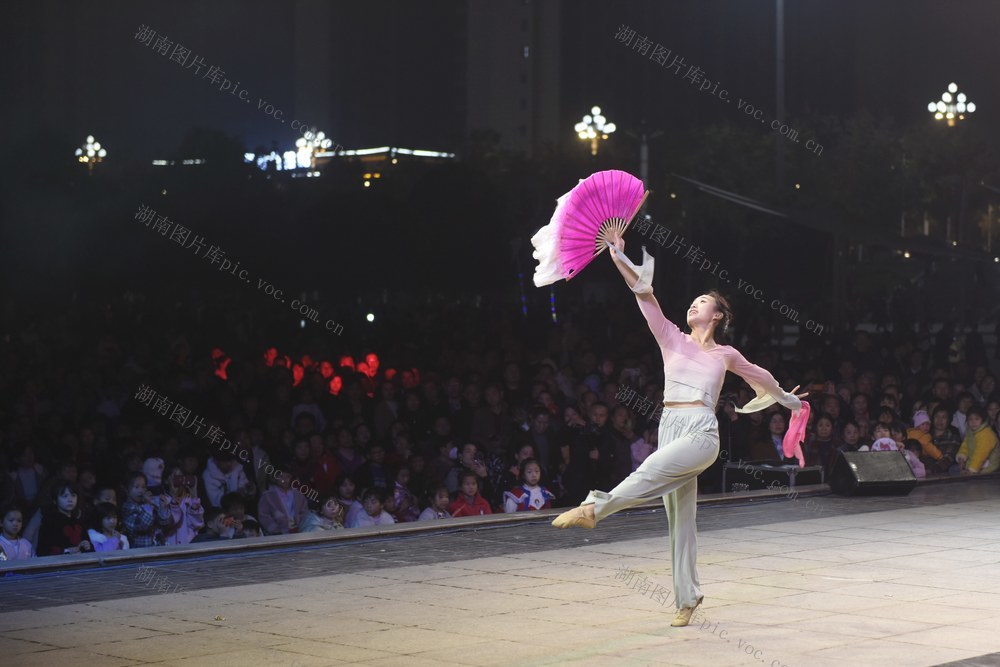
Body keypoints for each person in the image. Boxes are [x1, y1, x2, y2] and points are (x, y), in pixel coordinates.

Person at [551, 237, 806, 628]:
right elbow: (645, 295)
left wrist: (790, 401)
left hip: (702, 431)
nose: (693, 305)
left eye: (702, 302)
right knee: (680, 520)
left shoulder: (726, 355)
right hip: (670, 425)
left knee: (649, 471)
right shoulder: (671, 338)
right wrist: (618, 254)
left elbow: (763, 378)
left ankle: (593, 509)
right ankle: (688, 598)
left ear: (718, 316)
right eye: (693, 301)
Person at [956, 407, 1000, 474]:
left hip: (989, 467)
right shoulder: (970, 431)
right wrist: (961, 458)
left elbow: (980, 454)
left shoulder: (987, 434)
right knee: (953, 470)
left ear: (982, 420)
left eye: (977, 419)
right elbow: (965, 446)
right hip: (974, 464)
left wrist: (971, 470)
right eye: (970, 419)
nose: (973, 422)